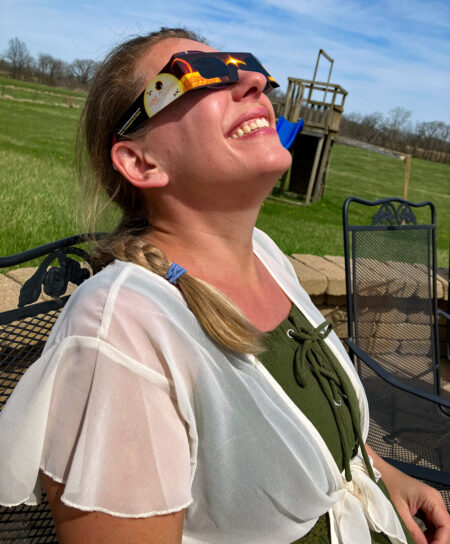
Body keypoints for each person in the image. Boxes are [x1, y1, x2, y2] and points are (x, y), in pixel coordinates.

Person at [0, 27, 449, 544]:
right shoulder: (122, 329)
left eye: (246, 65)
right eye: (199, 73)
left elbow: (311, 430)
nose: (256, 80)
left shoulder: (264, 252)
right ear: (141, 162)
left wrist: (387, 478)